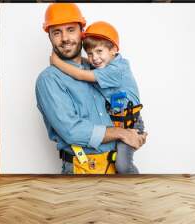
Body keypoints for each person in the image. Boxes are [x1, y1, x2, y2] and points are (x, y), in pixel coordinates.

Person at [35, 3, 147, 174]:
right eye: (56, 32)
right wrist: (122, 133)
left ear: (82, 32)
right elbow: (72, 132)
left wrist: (133, 134)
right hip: (82, 169)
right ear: (49, 36)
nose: (65, 38)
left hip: (115, 165)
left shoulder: (99, 68)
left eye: (71, 29)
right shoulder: (49, 79)